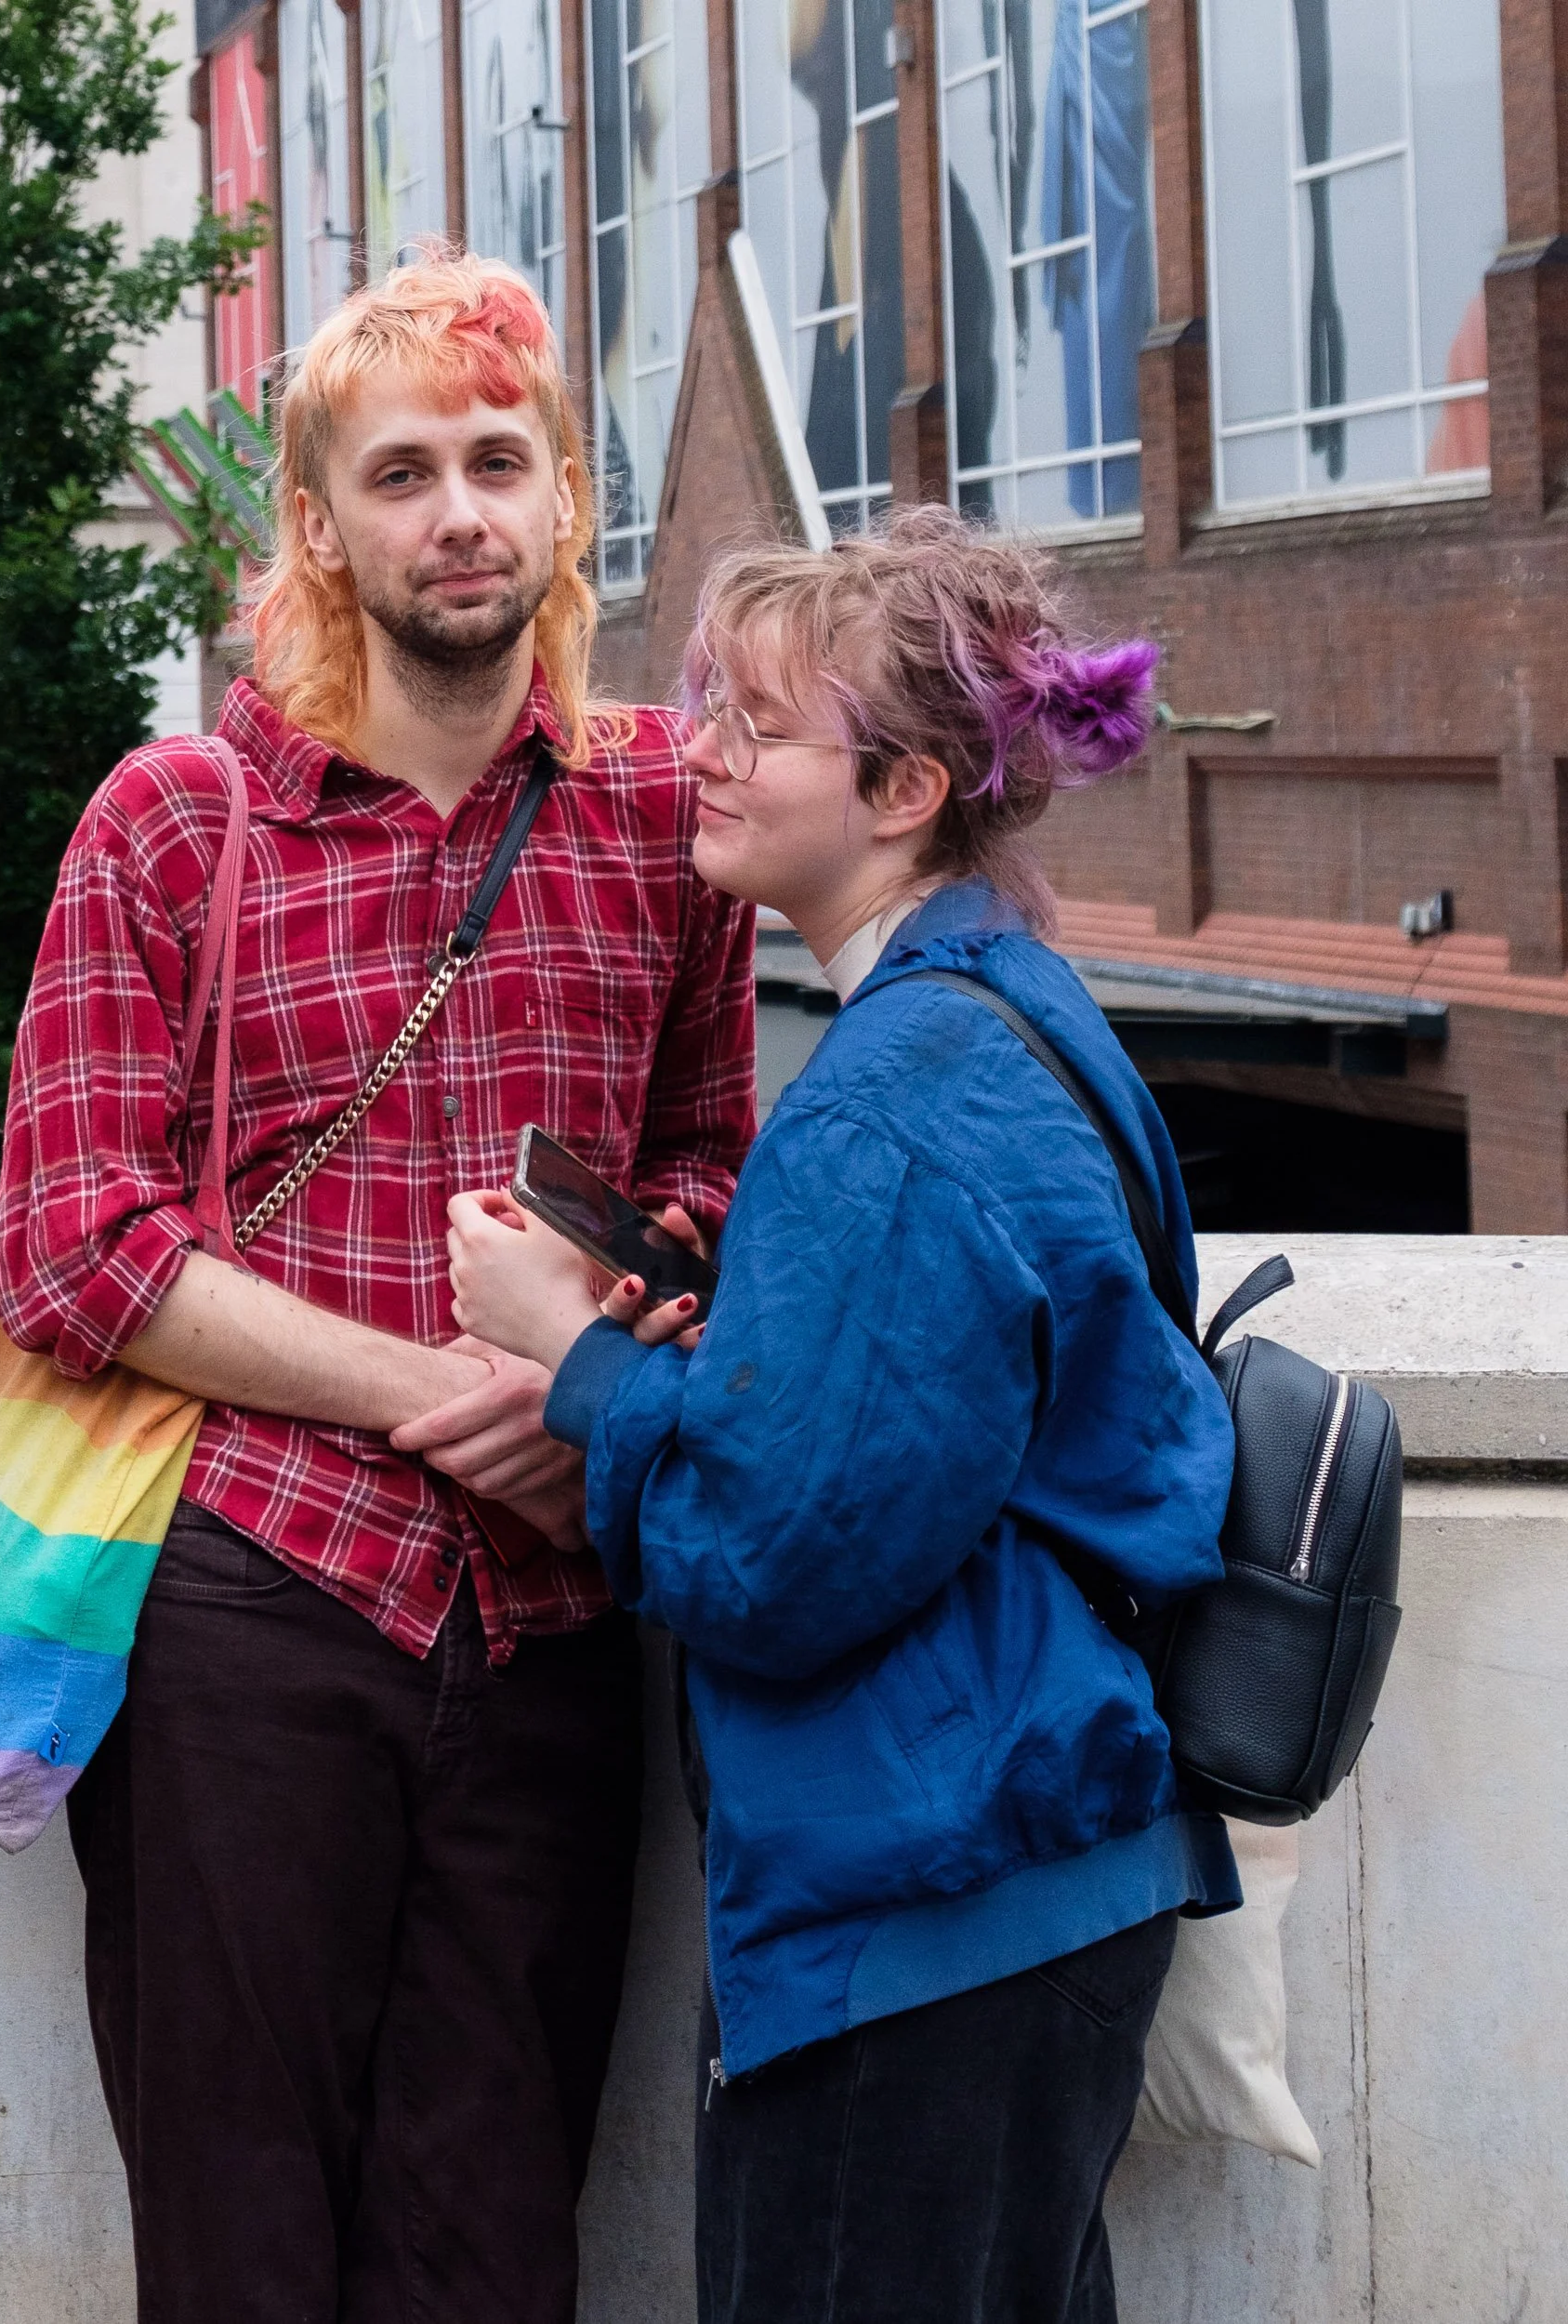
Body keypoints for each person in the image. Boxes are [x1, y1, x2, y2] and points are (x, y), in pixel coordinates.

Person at [0, 251, 757, 2324]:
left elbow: (708, 1171)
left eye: (501, 460)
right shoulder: (181, 821)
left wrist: (598, 1361)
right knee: (240, 2248)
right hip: (250, 1606)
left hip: (554, 1626)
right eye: (401, 472)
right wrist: (446, 1384)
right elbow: (72, 1243)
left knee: (494, 2246)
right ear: (318, 526)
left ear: (569, 500)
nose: (460, 512)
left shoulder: (663, 814)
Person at [445, 505, 1242, 2324]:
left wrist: (571, 1356)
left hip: (926, 1903)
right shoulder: (1014, 1012)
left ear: (901, 788)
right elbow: (929, 1421)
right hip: (1028, 1868)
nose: (698, 750)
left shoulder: (887, 1101)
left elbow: (771, 1555)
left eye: (751, 722)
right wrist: (715, 1324)